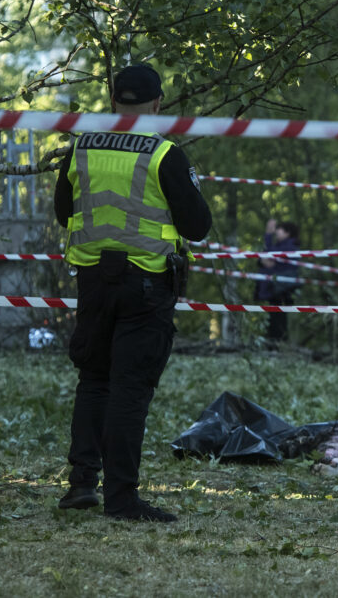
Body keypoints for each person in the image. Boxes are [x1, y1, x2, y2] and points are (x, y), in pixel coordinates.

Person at [54, 63, 212, 522]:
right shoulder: (164, 154)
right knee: (129, 390)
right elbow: (198, 227)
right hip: (145, 284)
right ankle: (121, 499)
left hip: (92, 282)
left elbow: (64, 212)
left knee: (94, 381)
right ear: (158, 104)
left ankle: (82, 483)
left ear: (113, 102)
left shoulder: (80, 148)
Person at [254, 219, 301, 342]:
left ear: (288, 233)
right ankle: (273, 345)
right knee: (273, 317)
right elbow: (264, 259)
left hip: (282, 290)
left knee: (279, 318)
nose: (276, 233)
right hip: (273, 289)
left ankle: (278, 345)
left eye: (279, 231)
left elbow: (269, 255)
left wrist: (268, 234)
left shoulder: (290, 247)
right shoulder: (280, 246)